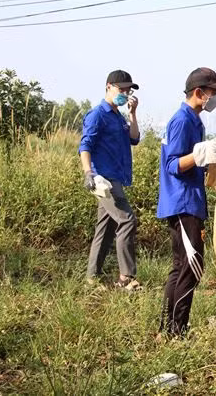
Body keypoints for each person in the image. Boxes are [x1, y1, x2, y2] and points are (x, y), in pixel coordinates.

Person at [157, 67, 216, 337]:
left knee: (182, 267)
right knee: (192, 266)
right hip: (182, 202)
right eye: (214, 92)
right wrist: (201, 154)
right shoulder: (182, 121)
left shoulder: (195, 121)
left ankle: (169, 329)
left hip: (190, 201)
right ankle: (177, 329)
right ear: (199, 93)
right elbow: (172, 165)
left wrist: (208, 158)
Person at [79, 70, 141, 290]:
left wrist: (133, 114)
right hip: (104, 180)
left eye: (128, 90)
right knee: (127, 220)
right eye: (121, 89)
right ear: (109, 87)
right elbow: (85, 146)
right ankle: (126, 278)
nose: (125, 93)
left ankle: (91, 279)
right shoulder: (97, 115)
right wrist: (88, 173)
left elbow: (134, 138)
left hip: (116, 177)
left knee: (105, 229)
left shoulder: (118, 116)